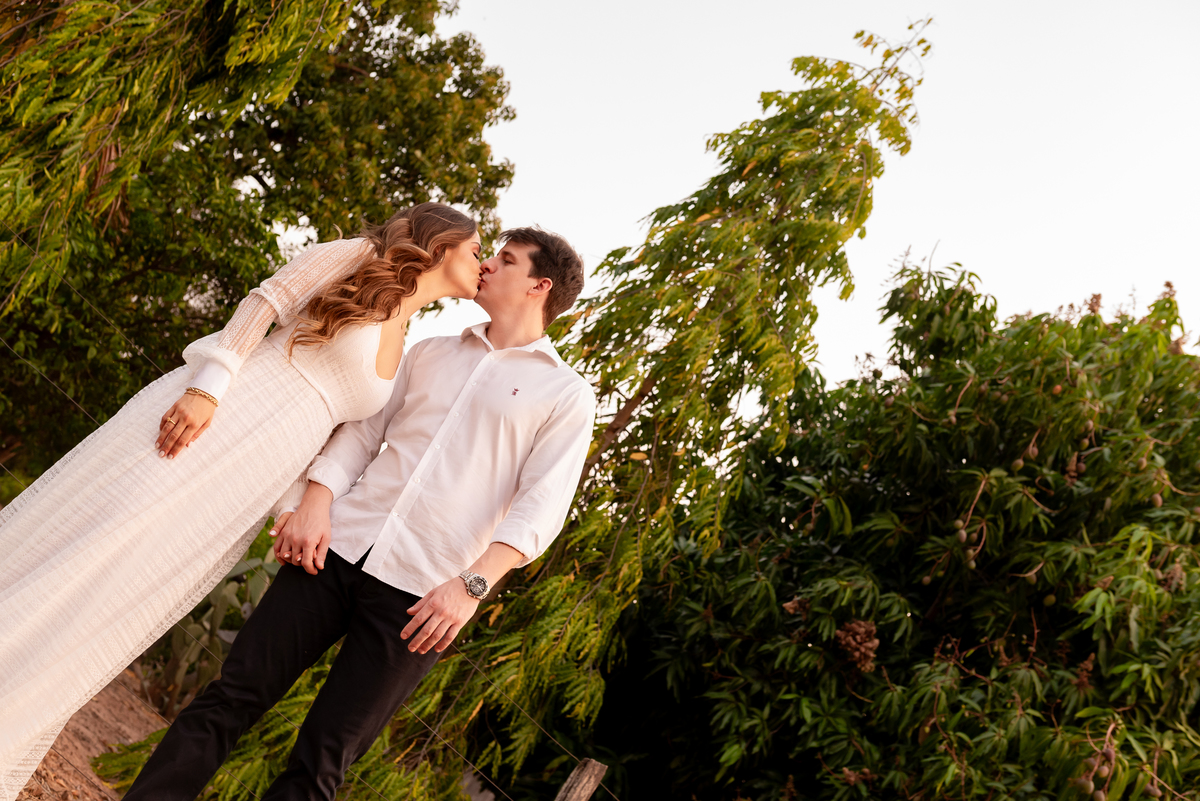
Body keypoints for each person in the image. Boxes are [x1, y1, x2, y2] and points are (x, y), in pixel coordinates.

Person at [0, 203, 486, 798]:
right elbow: (264, 304)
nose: (483, 263)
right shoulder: (357, 257)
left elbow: (336, 432)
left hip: (259, 472)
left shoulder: (406, 333)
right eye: (477, 249)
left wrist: (290, 506)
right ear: (439, 244)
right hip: (224, 417)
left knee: (126, 581)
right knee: (96, 538)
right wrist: (209, 385)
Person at [121, 226, 596, 801]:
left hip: (425, 597)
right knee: (232, 695)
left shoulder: (565, 394)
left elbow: (540, 507)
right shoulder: (431, 352)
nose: (488, 264)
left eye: (506, 259)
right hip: (335, 551)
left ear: (539, 286)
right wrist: (316, 504)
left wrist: (469, 589)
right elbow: (361, 437)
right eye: (490, 253)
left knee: (323, 759)